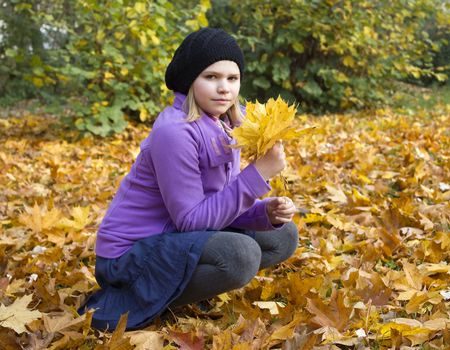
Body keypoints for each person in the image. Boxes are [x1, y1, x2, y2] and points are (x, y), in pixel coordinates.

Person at [79, 27, 299, 331]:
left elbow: (219, 202)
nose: (224, 88)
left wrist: (265, 212)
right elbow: (191, 220)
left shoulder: (224, 124)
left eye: (232, 79)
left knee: (283, 235)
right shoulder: (174, 131)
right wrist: (259, 173)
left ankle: (177, 290)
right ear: (190, 80)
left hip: (177, 236)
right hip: (129, 256)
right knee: (240, 256)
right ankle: (143, 297)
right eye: (211, 77)